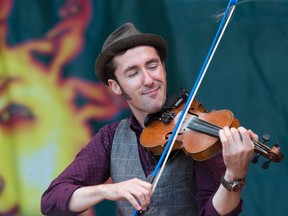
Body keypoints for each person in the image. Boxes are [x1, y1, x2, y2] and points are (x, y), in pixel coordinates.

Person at [41, 22, 257, 216]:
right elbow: (51, 201)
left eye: (153, 66)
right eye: (133, 73)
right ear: (116, 86)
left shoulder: (198, 134)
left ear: (163, 68)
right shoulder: (110, 138)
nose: (148, 80)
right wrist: (108, 190)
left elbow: (215, 214)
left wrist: (234, 175)